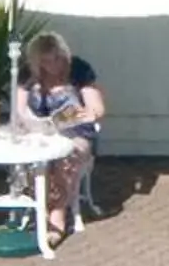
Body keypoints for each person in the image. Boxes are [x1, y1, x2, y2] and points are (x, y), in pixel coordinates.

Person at [13, 30, 105, 239]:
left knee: (67, 156)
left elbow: (97, 108)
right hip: (38, 133)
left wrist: (88, 113)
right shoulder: (28, 74)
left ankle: (58, 213)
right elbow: (18, 111)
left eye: (57, 58)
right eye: (46, 61)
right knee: (37, 162)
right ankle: (42, 210)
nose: (53, 65)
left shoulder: (79, 69)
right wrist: (29, 123)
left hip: (76, 132)